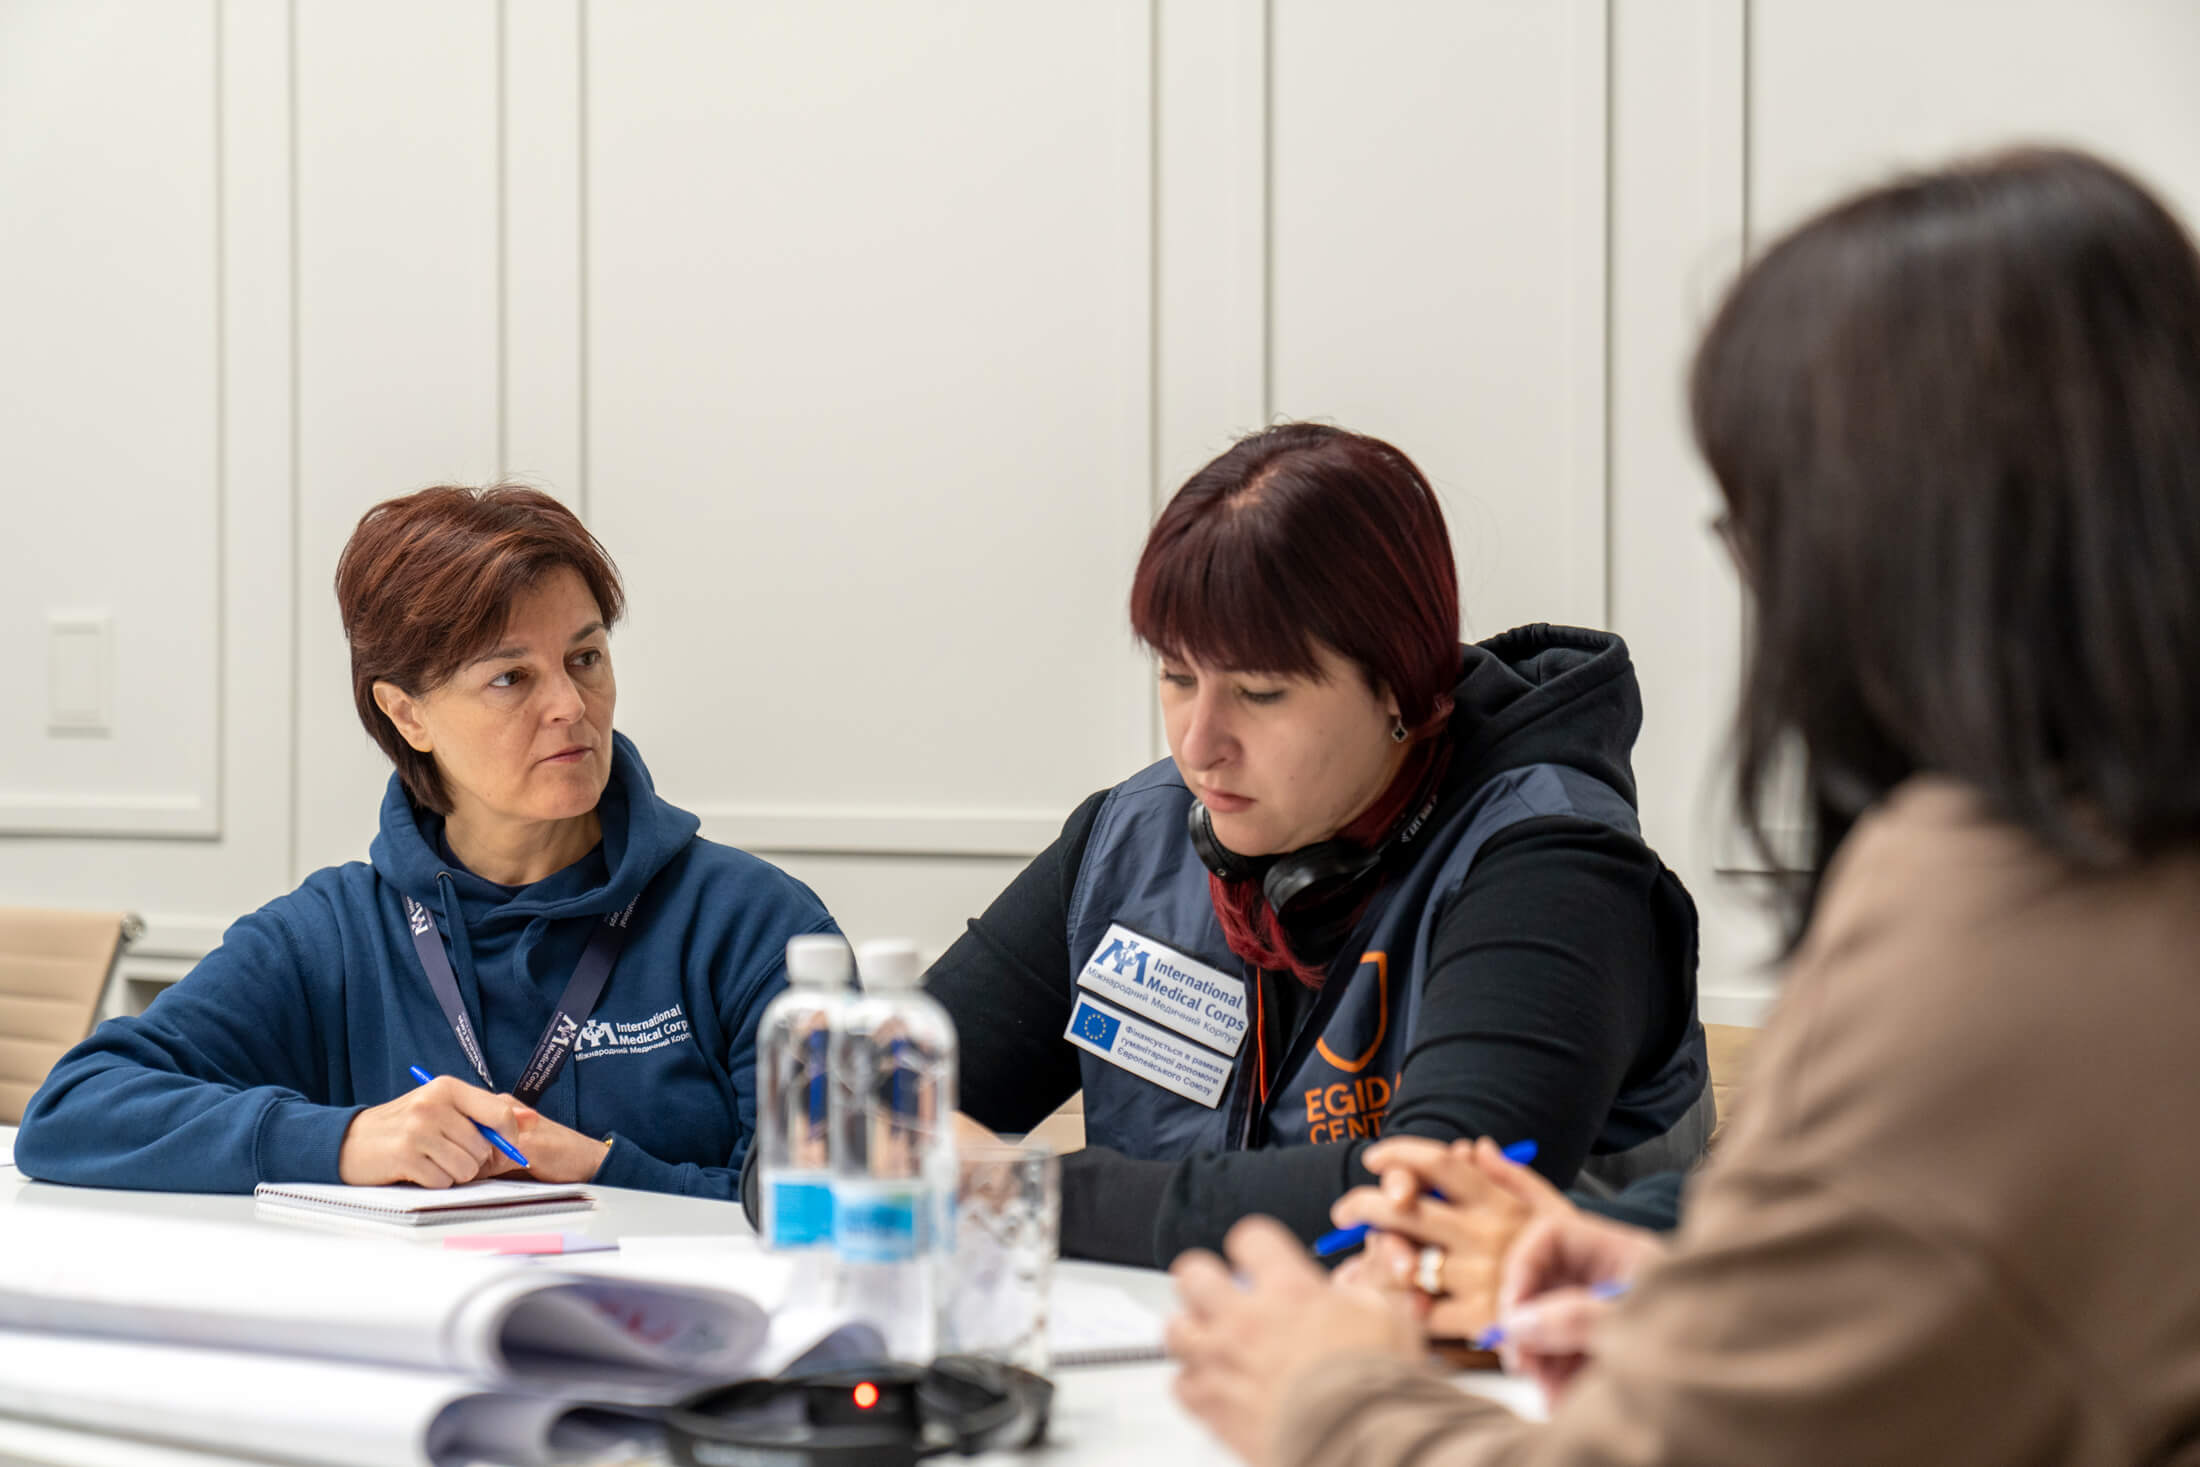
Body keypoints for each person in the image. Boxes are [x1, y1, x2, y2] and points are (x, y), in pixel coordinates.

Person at [1167, 147, 2200, 1465]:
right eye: (1176, 677)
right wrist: (1679, 1282)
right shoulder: (2110, 869)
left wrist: (1327, 1395)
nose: (1204, 738)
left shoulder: (1986, 917)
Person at [921, 422, 1713, 1266]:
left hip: (1490, 1390)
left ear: (1399, 687)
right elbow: (850, 1110)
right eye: (1177, 676)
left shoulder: (1559, 867)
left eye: (1261, 692)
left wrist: (1028, 1193)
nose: (1199, 744)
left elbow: (1435, 1207)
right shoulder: (1132, 838)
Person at [18, 486, 838, 1197]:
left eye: (585, 657)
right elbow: (71, 1108)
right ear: (407, 714)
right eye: (511, 676)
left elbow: (843, 1195)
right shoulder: (336, 933)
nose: (570, 705)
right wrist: (343, 1142)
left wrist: (600, 1168)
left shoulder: (756, 926)